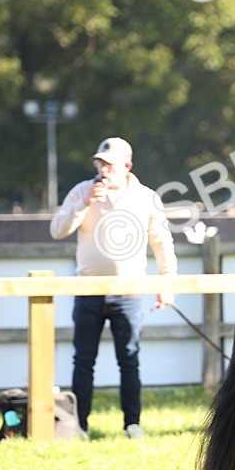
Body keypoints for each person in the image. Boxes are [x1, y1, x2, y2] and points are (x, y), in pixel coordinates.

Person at [49, 137, 177, 439]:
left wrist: (166, 284)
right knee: (83, 361)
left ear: (127, 166)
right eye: (100, 164)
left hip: (129, 292)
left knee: (129, 359)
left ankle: (132, 423)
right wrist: (84, 203)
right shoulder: (83, 191)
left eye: (110, 164)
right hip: (89, 290)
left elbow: (162, 243)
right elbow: (57, 230)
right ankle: (79, 426)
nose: (103, 170)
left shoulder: (146, 197)